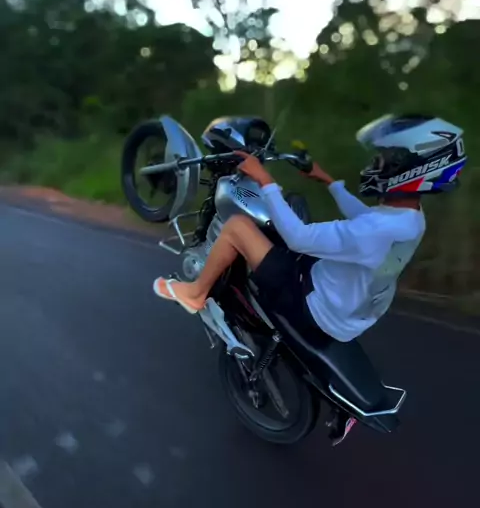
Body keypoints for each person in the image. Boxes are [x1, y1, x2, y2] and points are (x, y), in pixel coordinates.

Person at [154, 114, 467, 345]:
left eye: (385, 160)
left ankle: (195, 294)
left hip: (317, 311)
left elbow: (299, 238)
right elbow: (367, 218)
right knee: (284, 226)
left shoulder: (375, 230)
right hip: (351, 312)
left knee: (238, 226)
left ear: (410, 171)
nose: (375, 164)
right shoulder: (410, 218)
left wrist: (265, 179)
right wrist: (328, 181)